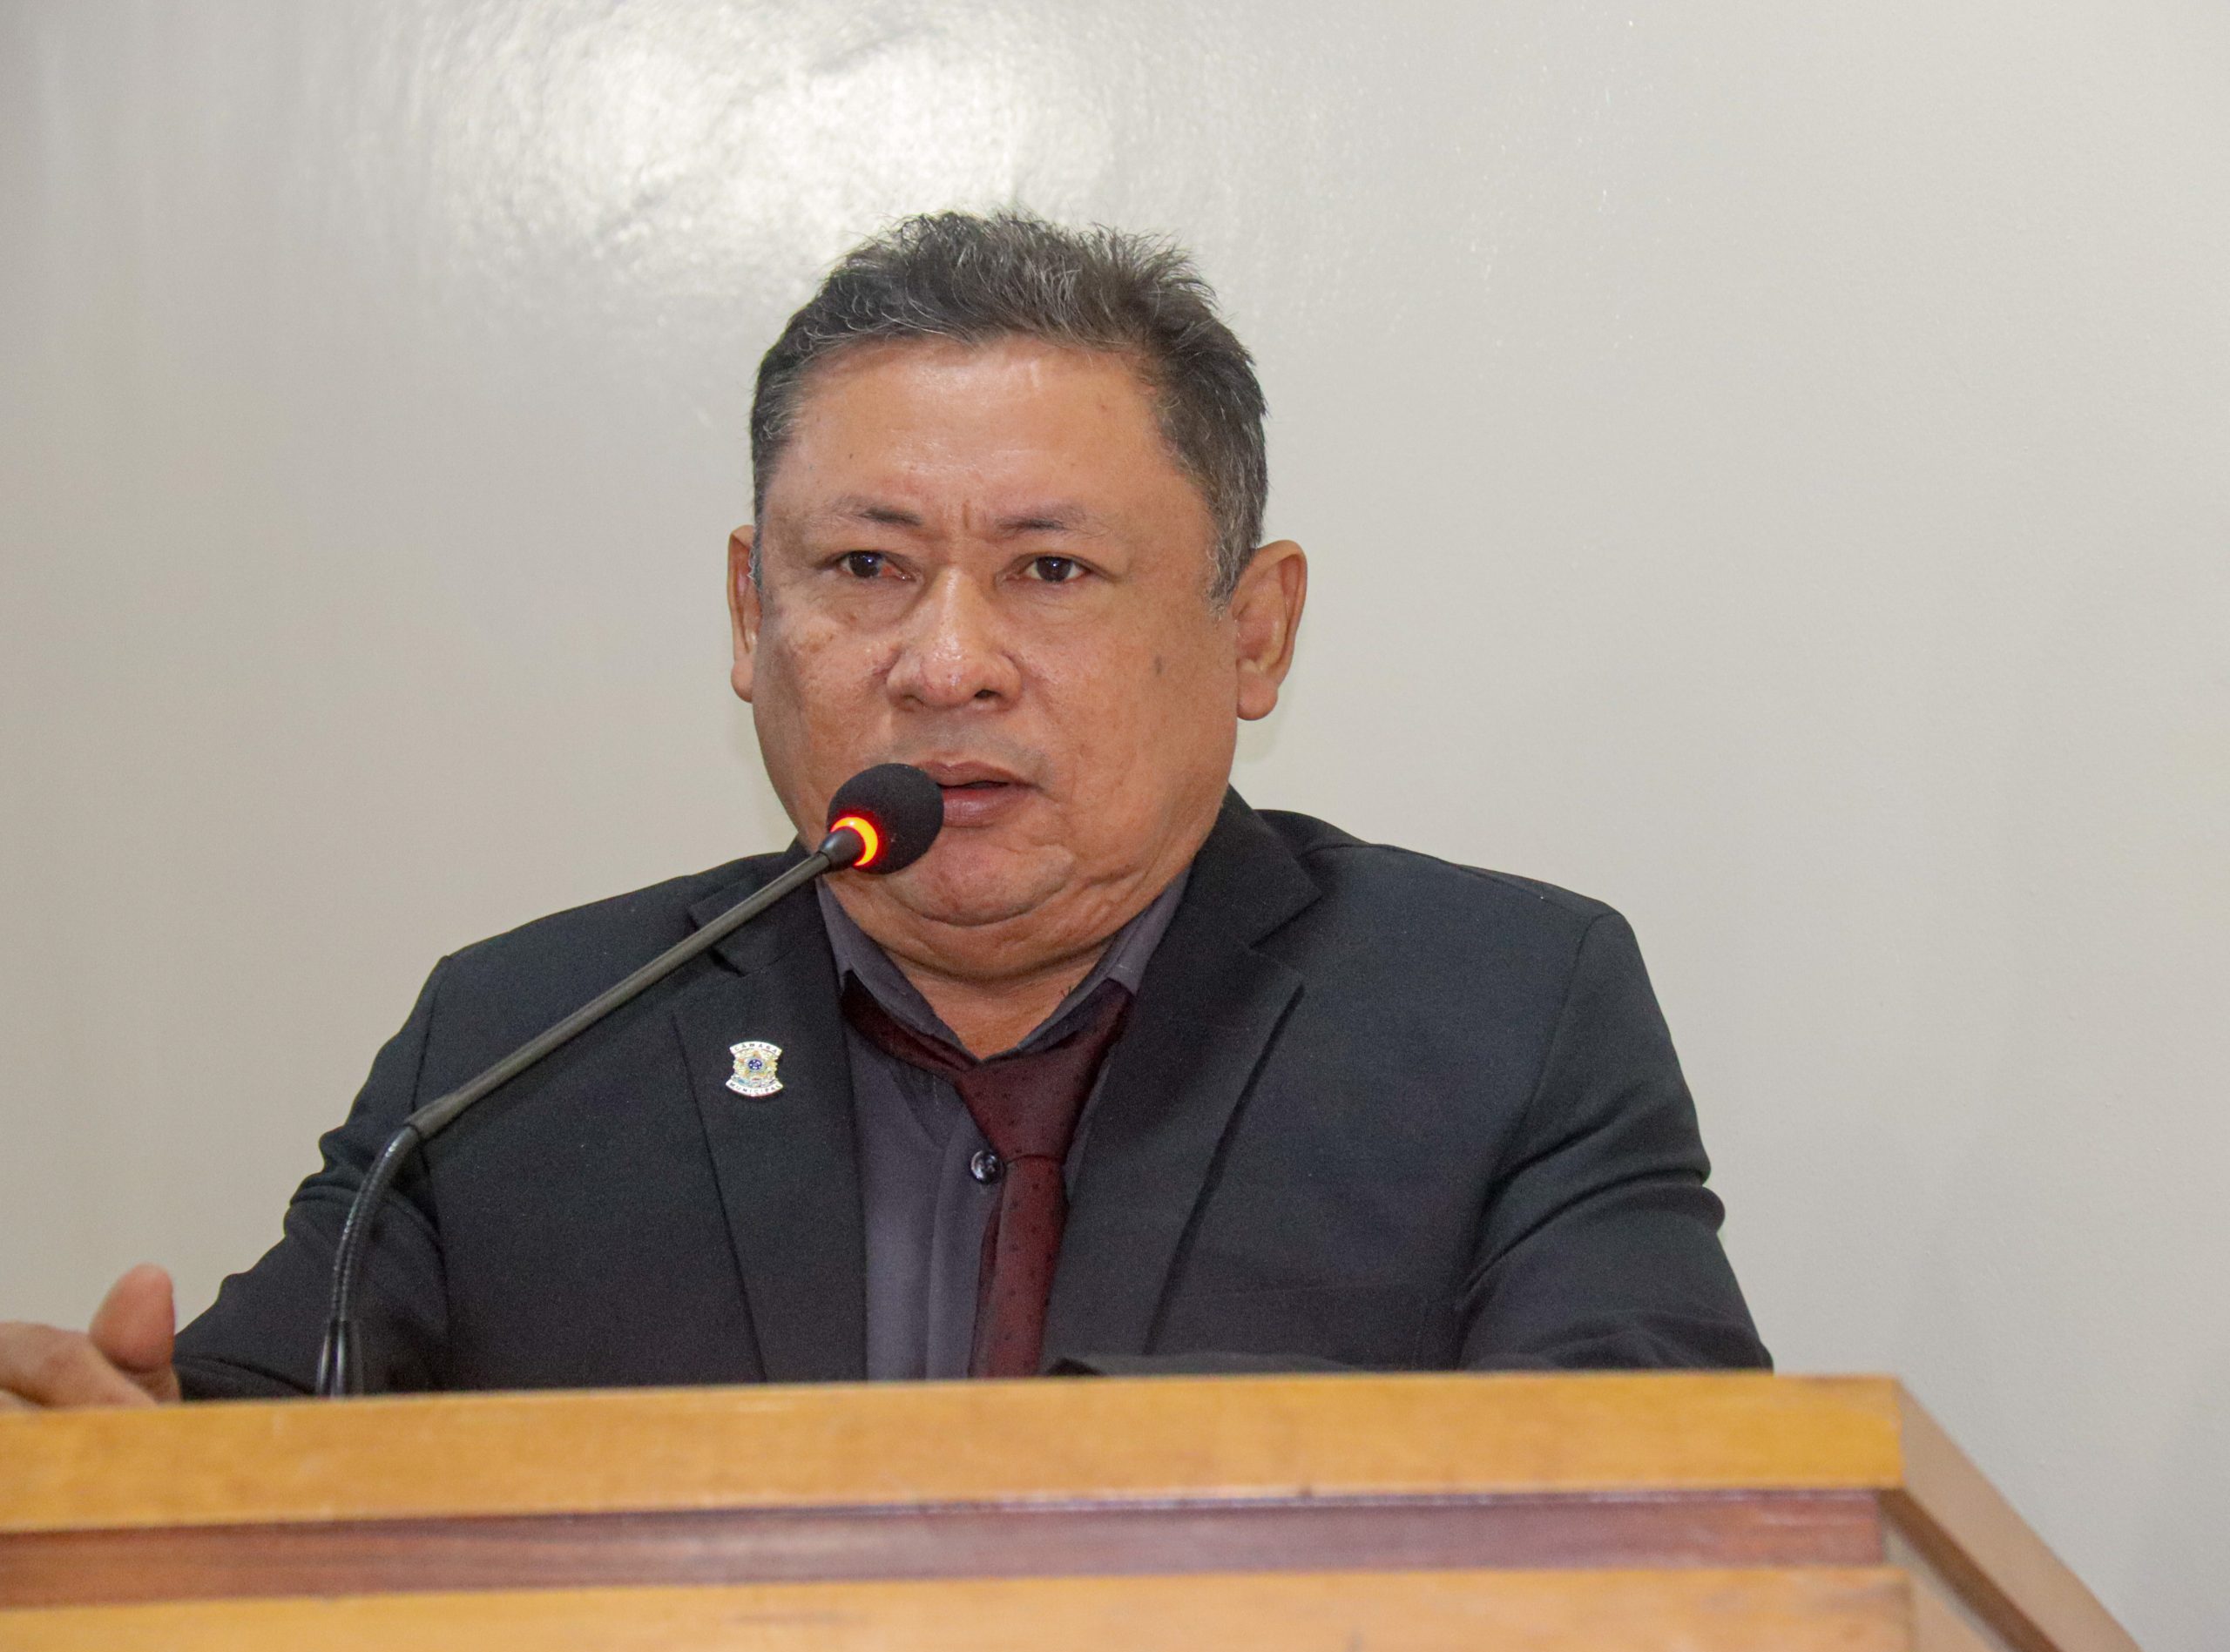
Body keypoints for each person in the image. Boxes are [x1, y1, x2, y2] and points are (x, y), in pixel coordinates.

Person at [0, 211, 1767, 1407]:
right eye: (863, 566)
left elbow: (1666, 1527)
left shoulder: (1500, 1015)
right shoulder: (521, 1049)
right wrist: (115, 1466)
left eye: (1050, 569)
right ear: (746, 614)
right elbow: (232, 1461)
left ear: (1254, 629)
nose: (945, 664)